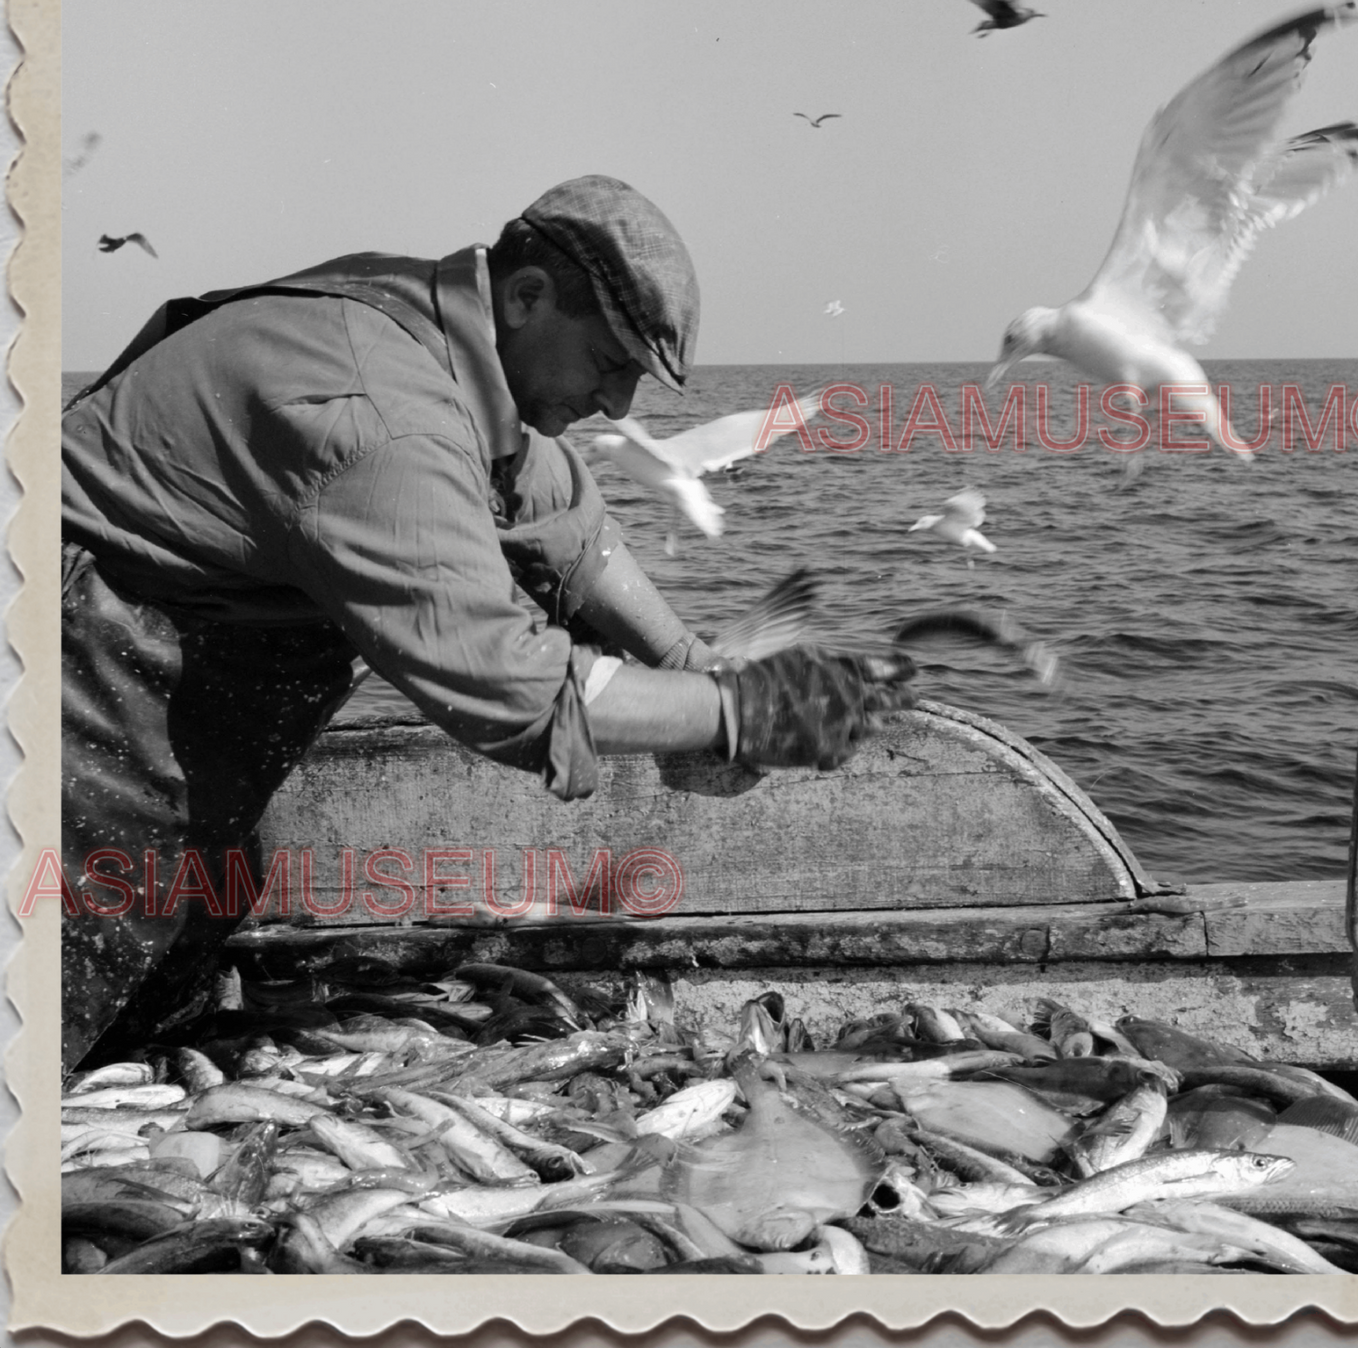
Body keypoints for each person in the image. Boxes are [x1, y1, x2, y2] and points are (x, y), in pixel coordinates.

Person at [59, 174, 914, 1071]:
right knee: (71, 955)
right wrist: (736, 714)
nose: (618, 406)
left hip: (171, 689)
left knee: (179, 927)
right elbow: (510, 685)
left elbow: (559, 518)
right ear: (527, 295)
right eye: (610, 362)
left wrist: (688, 659)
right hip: (66, 679)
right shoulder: (379, 418)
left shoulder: (436, 338)